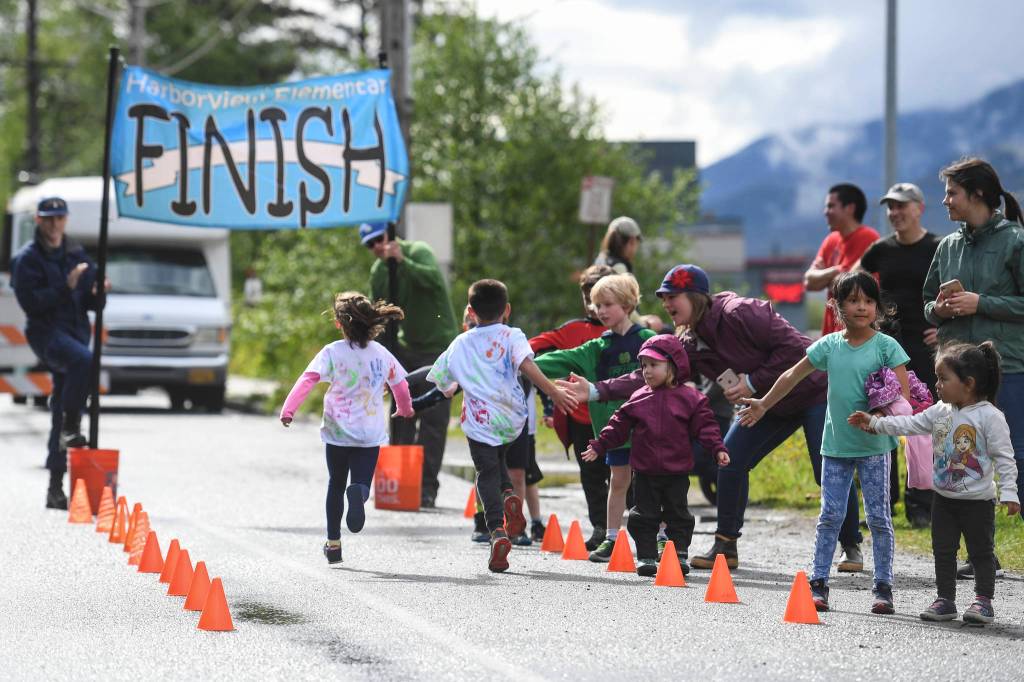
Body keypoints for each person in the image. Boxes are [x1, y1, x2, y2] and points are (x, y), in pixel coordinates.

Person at [559, 265, 864, 571]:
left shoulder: (742, 312)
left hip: (812, 392)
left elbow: (799, 351)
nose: (666, 305)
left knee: (828, 469)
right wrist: (596, 390)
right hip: (766, 406)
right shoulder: (689, 342)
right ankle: (725, 544)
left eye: (672, 297)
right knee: (729, 460)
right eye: (663, 298)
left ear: (695, 296)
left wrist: (753, 381)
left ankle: (851, 546)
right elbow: (653, 372)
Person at [739, 271, 907, 615]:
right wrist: (763, 403)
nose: (861, 307)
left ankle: (883, 588)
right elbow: (791, 375)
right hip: (836, 447)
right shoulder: (830, 345)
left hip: (876, 448)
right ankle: (818, 584)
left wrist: (879, 415)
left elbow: (901, 394)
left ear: (878, 307)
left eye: (868, 300)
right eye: (853, 300)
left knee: (878, 518)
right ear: (838, 306)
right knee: (829, 515)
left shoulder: (887, 347)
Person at [849, 341, 1019, 624]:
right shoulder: (941, 411)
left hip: (978, 502)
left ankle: (983, 601)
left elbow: (1005, 457)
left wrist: (1010, 492)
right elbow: (910, 424)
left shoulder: (990, 417)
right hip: (944, 499)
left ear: (968, 383)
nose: (937, 384)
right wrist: (877, 424)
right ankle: (945, 600)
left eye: (943, 378)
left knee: (980, 552)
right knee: (942, 550)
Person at [922, 157, 1024, 576]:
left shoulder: (1016, 240)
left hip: (1008, 368)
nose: (944, 200)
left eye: (951, 193)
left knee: (1014, 456)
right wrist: (941, 308)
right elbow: (927, 306)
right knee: (961, 462)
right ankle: (983, 555)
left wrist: (982, 303)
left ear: (977, 195)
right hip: (956, 375)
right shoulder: (947, 246)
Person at [426, 279, 569, 573]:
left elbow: (443, 383)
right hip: (513, 416)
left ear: (470, 311)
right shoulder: (513, 334)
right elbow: (528, 365)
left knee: (485, 472)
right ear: (507, 309)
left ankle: (496, 531)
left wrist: (413, 397)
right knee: (499, 460)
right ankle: (508, 497)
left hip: (480, 419)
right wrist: (553, 391)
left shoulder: (460, 342)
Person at [279, 292, 414, 565]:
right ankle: (361, 493)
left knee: (335, 484)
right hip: (369, 433)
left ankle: (333, 544)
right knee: (361, 481)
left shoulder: (332, 352)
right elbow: (401, 384)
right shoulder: (381, 354)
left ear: (340, 324)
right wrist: (405, 408)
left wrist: (289, 409)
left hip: (337, 431)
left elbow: (308, 379)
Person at [582, 334, 730, 577]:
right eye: (644, 366)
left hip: (677, 471)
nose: (647, 371)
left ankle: (678, 554)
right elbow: (618, 424)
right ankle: (647, 556)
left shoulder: (691, 399)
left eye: (654, 365)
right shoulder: (638, 397)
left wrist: (718, 448)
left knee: (678, 515)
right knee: (643, 516)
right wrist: (600, 445)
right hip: (645, 471)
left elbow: (706, 426)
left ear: (672, 366)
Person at [534, 274, 656, 561]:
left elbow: (661, 373)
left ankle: (661, 537)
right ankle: (611, 538)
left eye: (606, 304)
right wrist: (519, 363)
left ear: (627, 304)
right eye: (596, 304)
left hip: (649, 431)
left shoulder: (648, 340)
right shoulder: (596, 347)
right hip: (613, 433)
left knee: (653, 485)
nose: (599, 310)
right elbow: (557, 360)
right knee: (618, 484)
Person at [11, 196, 104, 510]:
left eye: (59, 218)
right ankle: (72, 423)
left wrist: (99, 292)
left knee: (61, 410)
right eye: (48, 219)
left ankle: (55, 488)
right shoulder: (27, 259)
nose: (54, 225)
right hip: (47, 334)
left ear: (66, 220)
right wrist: (66, 287)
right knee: (83, 361)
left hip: (76, 333)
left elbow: (91, 303)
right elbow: (32, 305)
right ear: (38, 221)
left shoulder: (76, 253)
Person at [858, 182, 942, 528]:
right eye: (891, 208)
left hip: (926, 348)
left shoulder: (939, 247)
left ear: (919, 208)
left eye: (902, 206)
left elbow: (955, 291)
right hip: (887, 347)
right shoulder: (880, 250)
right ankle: (884, 502)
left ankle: (923, 503)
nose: (895, 213)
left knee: (925, 424)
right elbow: (857, 286)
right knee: (884, 420)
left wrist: (946, 329)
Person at [362, 222, 460, 508]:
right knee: (402, 415)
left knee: (433, 420)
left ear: (391, 236)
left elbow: (433, 281)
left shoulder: (419, 251)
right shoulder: (379, 270)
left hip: (437, 348)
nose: (377, 247)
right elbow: (381, 311)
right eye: (370, 245)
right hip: (405, 349)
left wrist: (403, 262)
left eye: (379, 240)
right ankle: (401, 483)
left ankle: (427, 487)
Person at [529, 264, 612, 549]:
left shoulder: (630, 333)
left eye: (601, 298)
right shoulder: (574, 330)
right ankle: (601, 529)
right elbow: (534, 345)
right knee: (592, 476)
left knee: (630, 476)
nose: (593, 305)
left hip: (620, 417)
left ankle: (640, 530)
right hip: (583, 418)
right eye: (588, 297)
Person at [804, 183, 880, 335]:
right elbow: (808, 282)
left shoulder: (868, 238)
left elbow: (844, 287)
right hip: (831, 333)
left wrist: (824, 275)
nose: (826, 212)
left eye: (831, 206)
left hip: (855, 335)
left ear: (850, 208)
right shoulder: (831, 240)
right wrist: (836, 270)